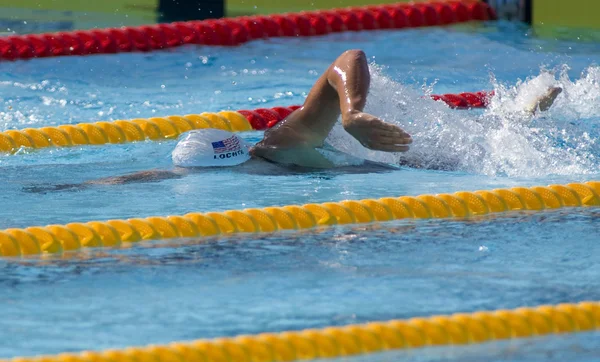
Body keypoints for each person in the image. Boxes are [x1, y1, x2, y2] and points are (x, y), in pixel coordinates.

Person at [27, 50, 564, 190]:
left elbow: (349, 58)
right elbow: (156, 176)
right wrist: (70, 186)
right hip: (392, 156)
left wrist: (352, 114)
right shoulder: (239, 167)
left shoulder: (282, 143)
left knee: (493, 146)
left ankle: (521, 113)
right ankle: (519, 115)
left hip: (393, 135)